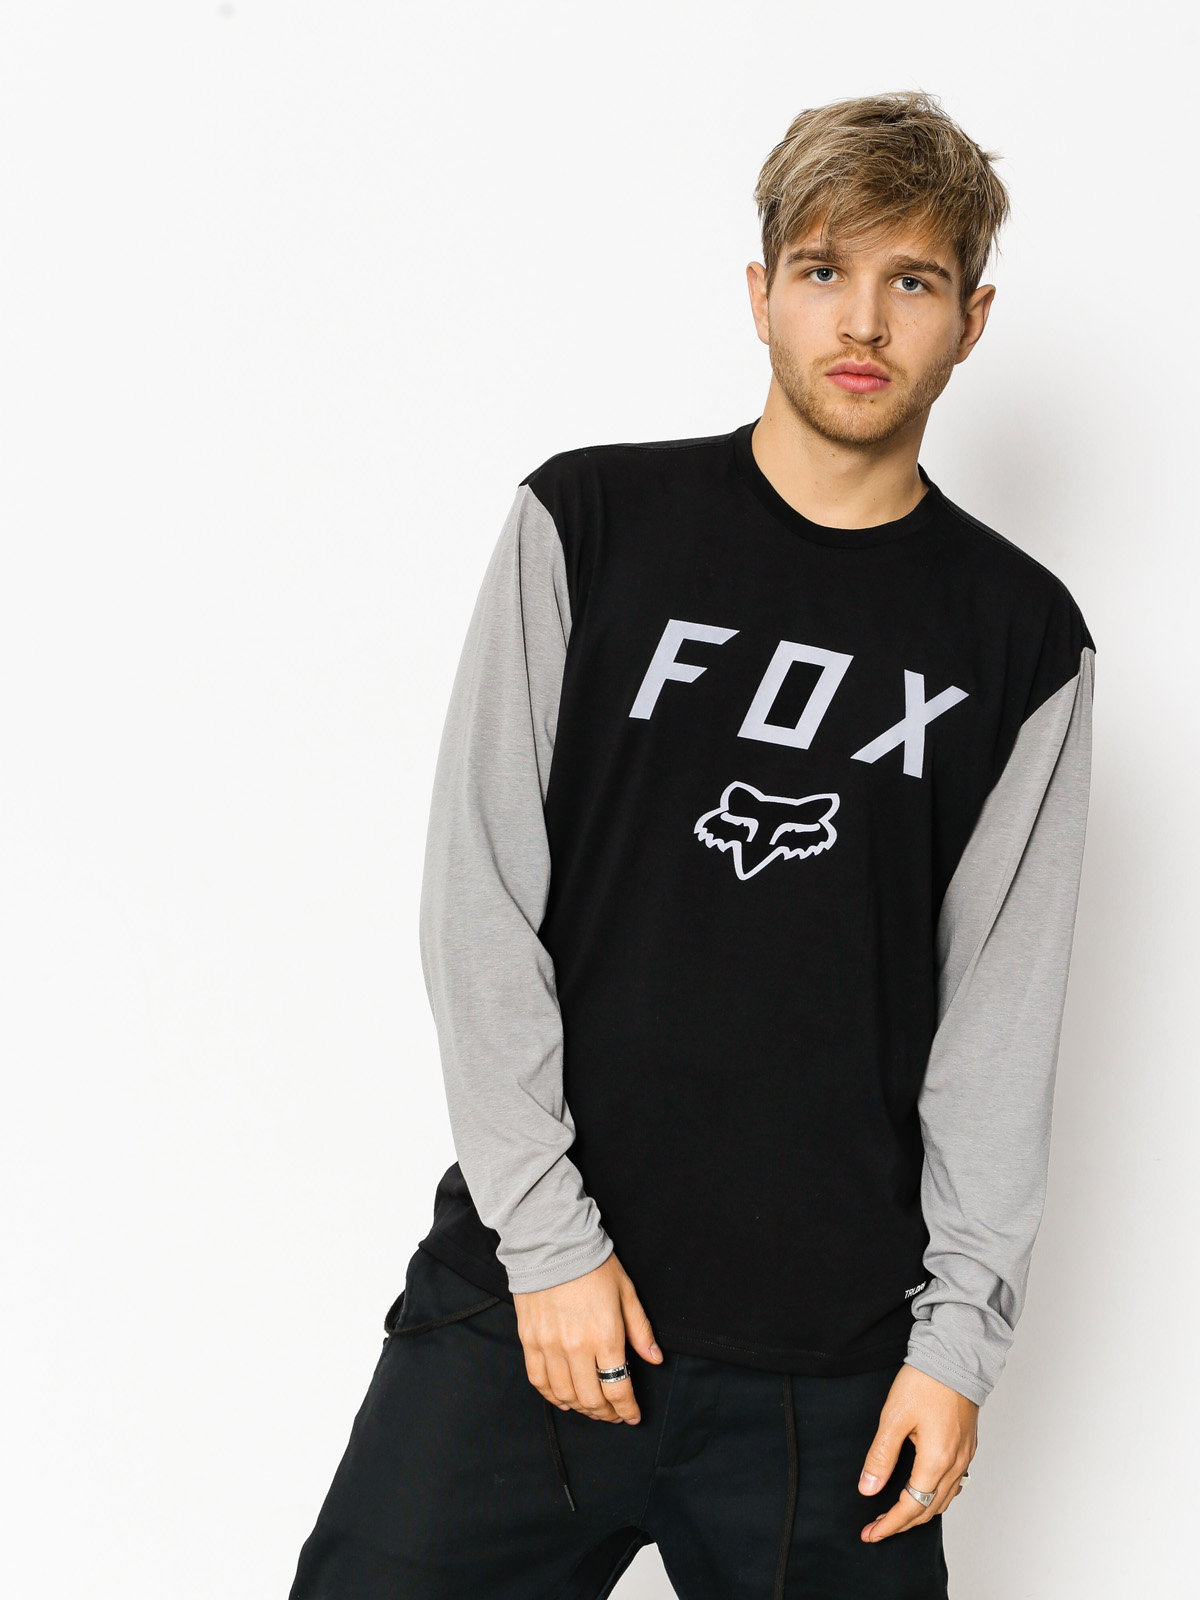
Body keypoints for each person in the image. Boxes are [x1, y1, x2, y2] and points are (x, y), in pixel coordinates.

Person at [288, 90, 1095, 1600]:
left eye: (912, 281)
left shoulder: (1022, 637)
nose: (862, 320)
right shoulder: (590, 522)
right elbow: (478, 901)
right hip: (529, 1311)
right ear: (760, 293)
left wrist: (957, 1345)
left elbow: (1002, 1014)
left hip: (832, 1374)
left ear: (971, 321)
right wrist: (548, 1246)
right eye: (822, 269)